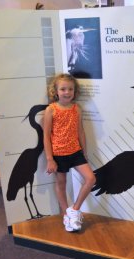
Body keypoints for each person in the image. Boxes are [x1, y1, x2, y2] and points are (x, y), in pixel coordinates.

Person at [43, 73, 96, 232]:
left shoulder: (76, 108)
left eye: (70, 89)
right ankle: (67, 214)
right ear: (56, 91)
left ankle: (74, 210)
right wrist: (50, 159)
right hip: (59, 154)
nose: (67, 92)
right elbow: (46, 136)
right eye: (63, 89)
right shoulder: (50, 110)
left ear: (74, 91)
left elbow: (81, 131)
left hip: (76, 152)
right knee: (61, 183)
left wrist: (84, 151)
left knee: (91, 178)